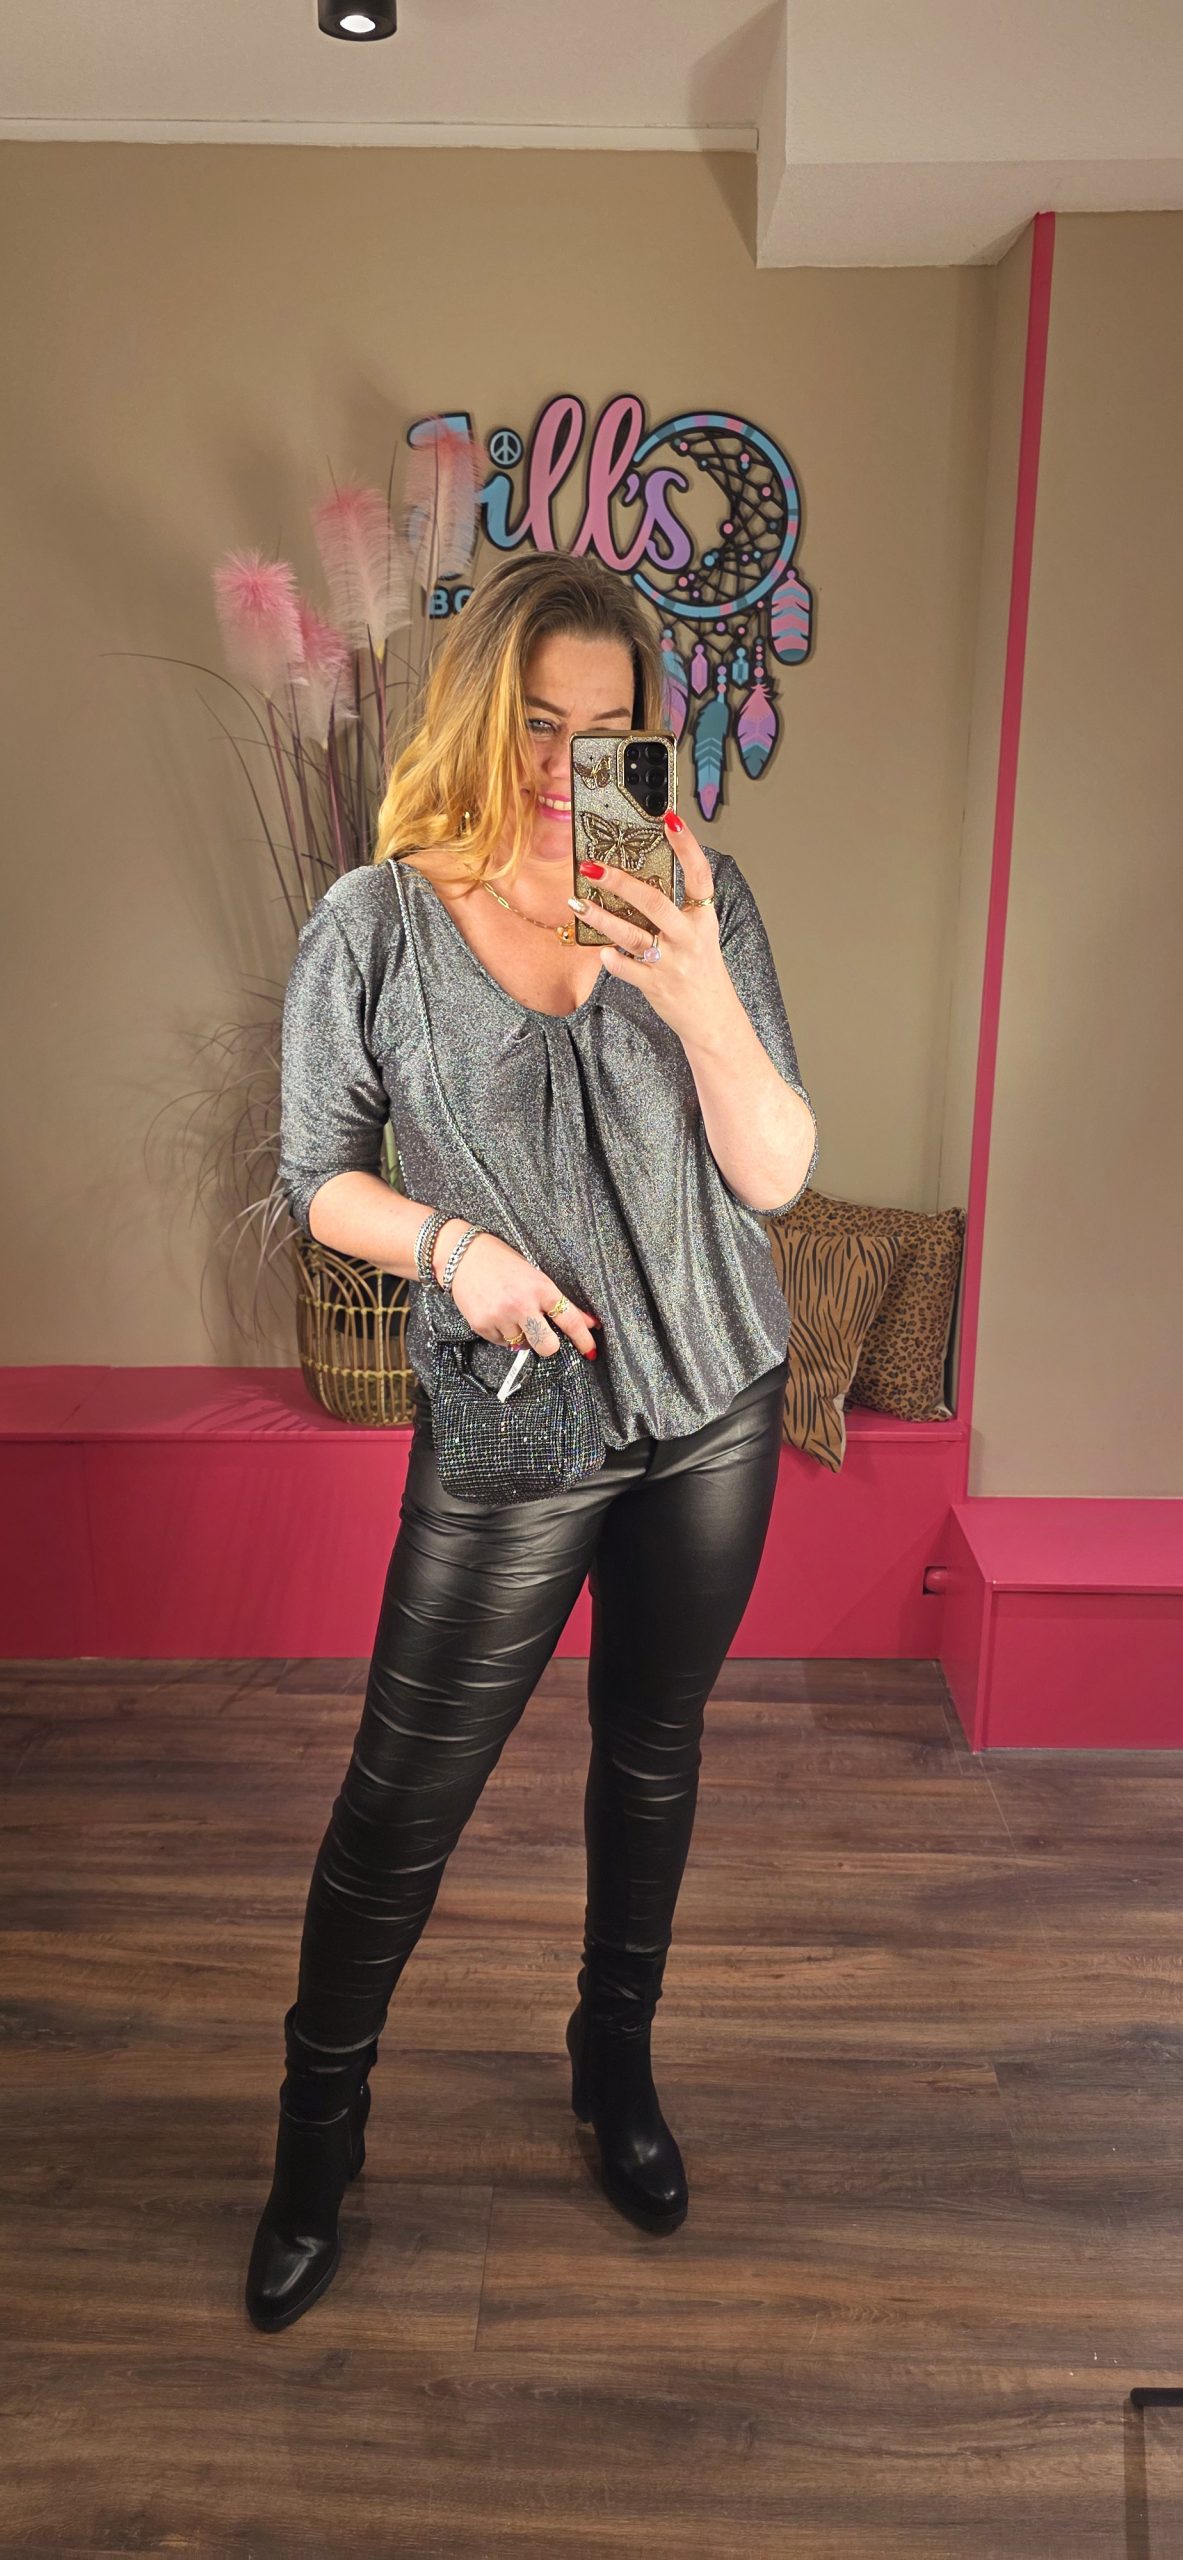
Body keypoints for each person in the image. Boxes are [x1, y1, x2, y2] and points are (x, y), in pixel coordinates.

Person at [245, 550, 818, 2331]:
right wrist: (454, 1250)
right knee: (399, 1803)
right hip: (513, 1428)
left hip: (712, 1403)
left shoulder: (694, 900)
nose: (569, 761)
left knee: (652, 1751)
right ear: (481, 715)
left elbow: (775, 1173)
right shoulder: (375, 920)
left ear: (648, 740)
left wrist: (697, 985)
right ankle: (316, 2136)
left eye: (607, 728)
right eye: (539, 722)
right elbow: (316, 1174)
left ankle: (612, 2061)